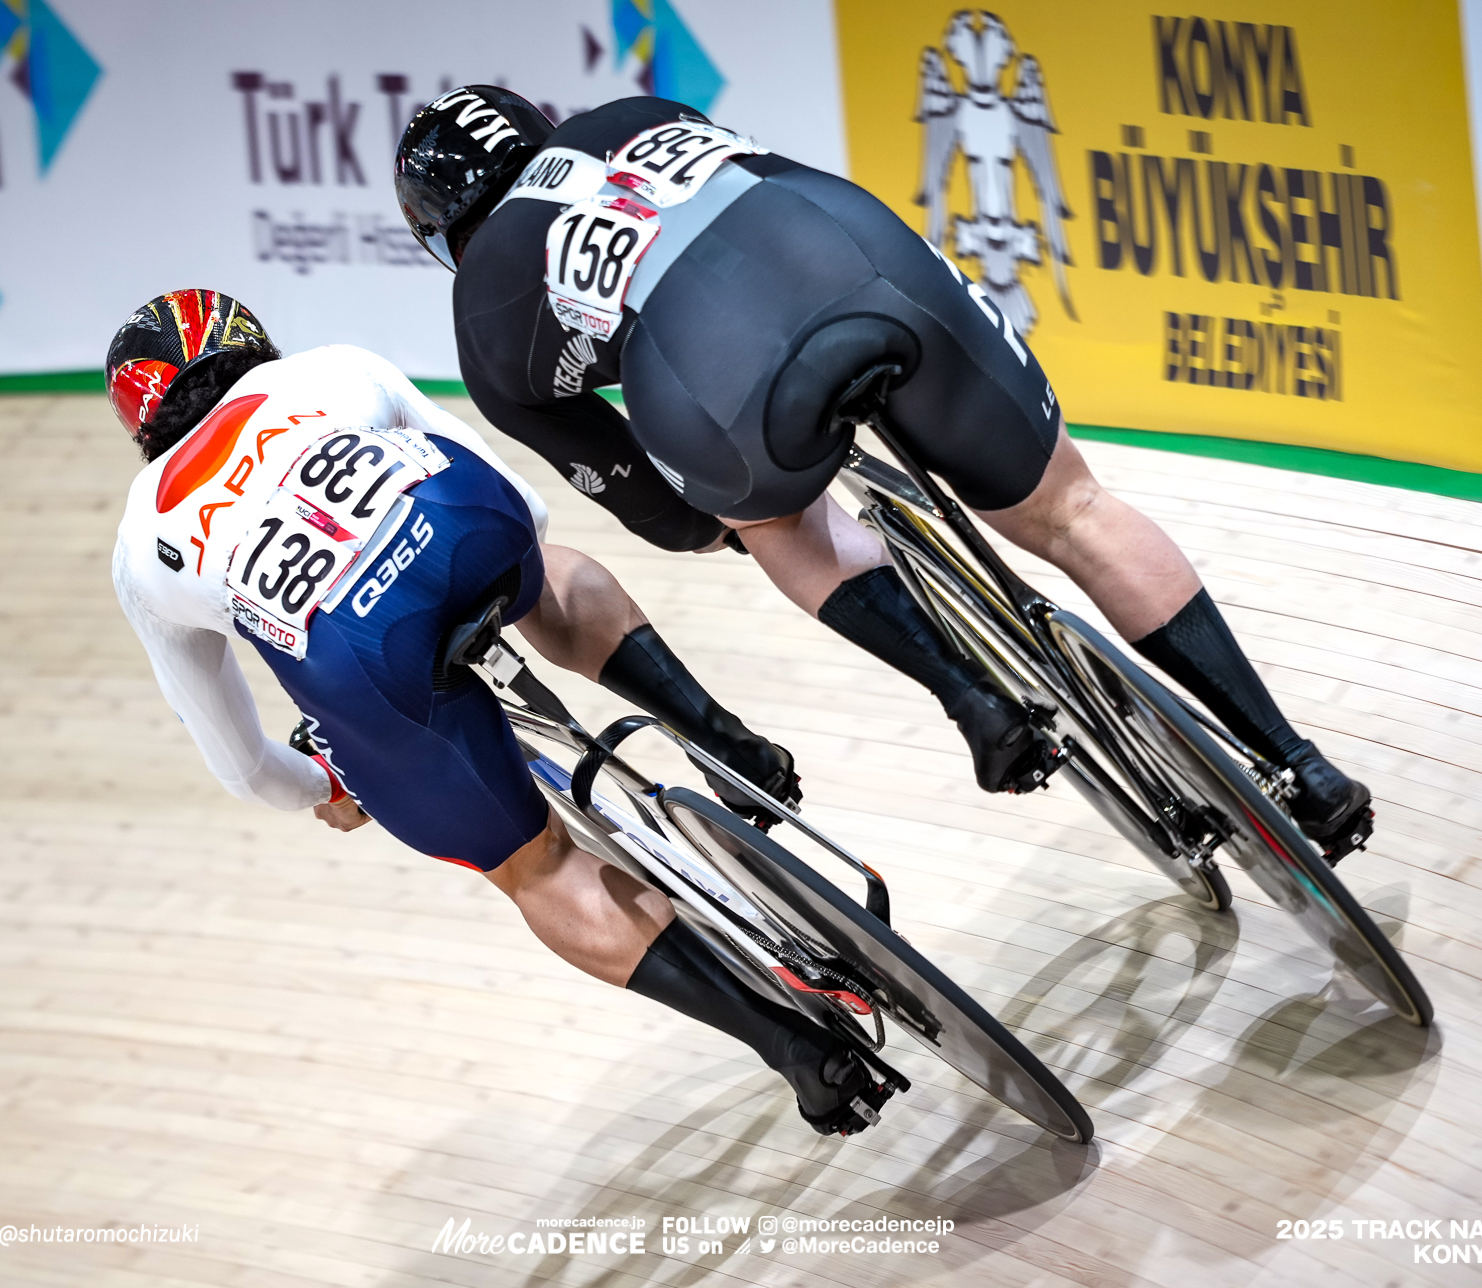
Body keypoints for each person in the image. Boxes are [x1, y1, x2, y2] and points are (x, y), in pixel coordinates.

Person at [393, 87, 1372, 857]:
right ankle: (1298, 762)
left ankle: (973, 701)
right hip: (862, 254)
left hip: (723, 377)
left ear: (442, 239)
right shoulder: (635, 114)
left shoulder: (482, 323)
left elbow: (642, 497)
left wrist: (722, 524)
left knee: (772, 524)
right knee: (1071, 506)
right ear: (542, 128)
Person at [107, 288, 887, 1134]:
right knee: (539, 568)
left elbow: (244, 765)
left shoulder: (140, 544)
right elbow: (531, 508)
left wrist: (328, 781)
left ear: (141, 426)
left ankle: (795, 1049)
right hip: (466, 530)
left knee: (536, 865)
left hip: (369, 665)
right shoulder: (328, 370)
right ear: (250, 344)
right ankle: (718, 736)